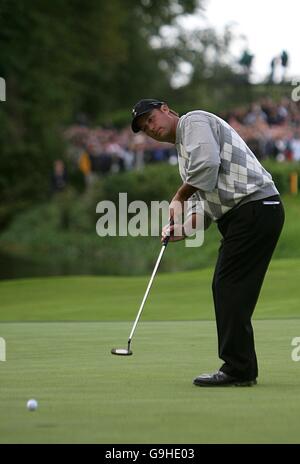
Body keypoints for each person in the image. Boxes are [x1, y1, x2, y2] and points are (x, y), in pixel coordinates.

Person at [131, 99, 285, 387]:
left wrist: (179, 195)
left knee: (228, 286)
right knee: (230, 288)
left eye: (150, 119)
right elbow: (207, 201)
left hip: (254, 208)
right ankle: (241, 367)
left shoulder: (194, 122)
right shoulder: (185, 148)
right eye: (144, 128)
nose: (150, 128)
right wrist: (183, 230)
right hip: (253, 212)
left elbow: (207, 165)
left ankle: (239, 368)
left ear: (166, 109)